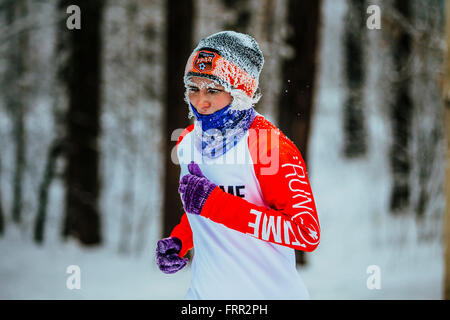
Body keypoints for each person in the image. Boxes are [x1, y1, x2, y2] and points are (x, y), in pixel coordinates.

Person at [155, 31, 320, 299]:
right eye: (193, 88)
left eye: (213, 90)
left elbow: (306, 233)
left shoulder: (269, 147)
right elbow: (201, 208)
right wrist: (180, 240)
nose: (201, 101)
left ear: (239, 91)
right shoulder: (187, 142)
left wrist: (216, 205)